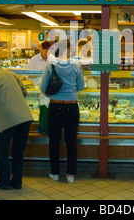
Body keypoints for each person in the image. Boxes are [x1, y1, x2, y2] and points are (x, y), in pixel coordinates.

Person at [0, 61, 34, 190]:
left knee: (2, 150)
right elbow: (24, 91)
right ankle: (17, 181)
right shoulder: (12, 74)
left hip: (7, 118)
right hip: (25, 117)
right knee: (18, 152)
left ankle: (3, 181)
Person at [40, 39, 84, 183]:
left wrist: (53, 95)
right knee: (71, 141)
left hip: (55, 106)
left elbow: (43, 88)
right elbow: (81, 87)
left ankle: (55, 173)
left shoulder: (50, 66)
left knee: (54, 141)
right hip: (72, 106)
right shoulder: (76, 66)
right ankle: (70, 174)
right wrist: (70, 91)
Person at [28, 41, 53, 134]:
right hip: (37, 90)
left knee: (48, 111)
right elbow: (28, 75)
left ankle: (46, 126)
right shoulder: (34, 59)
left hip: (50, 92)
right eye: (45, 51)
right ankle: (40, 126)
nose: (47, 53)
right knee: (38, 109)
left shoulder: (54, 60)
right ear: (40, 49)